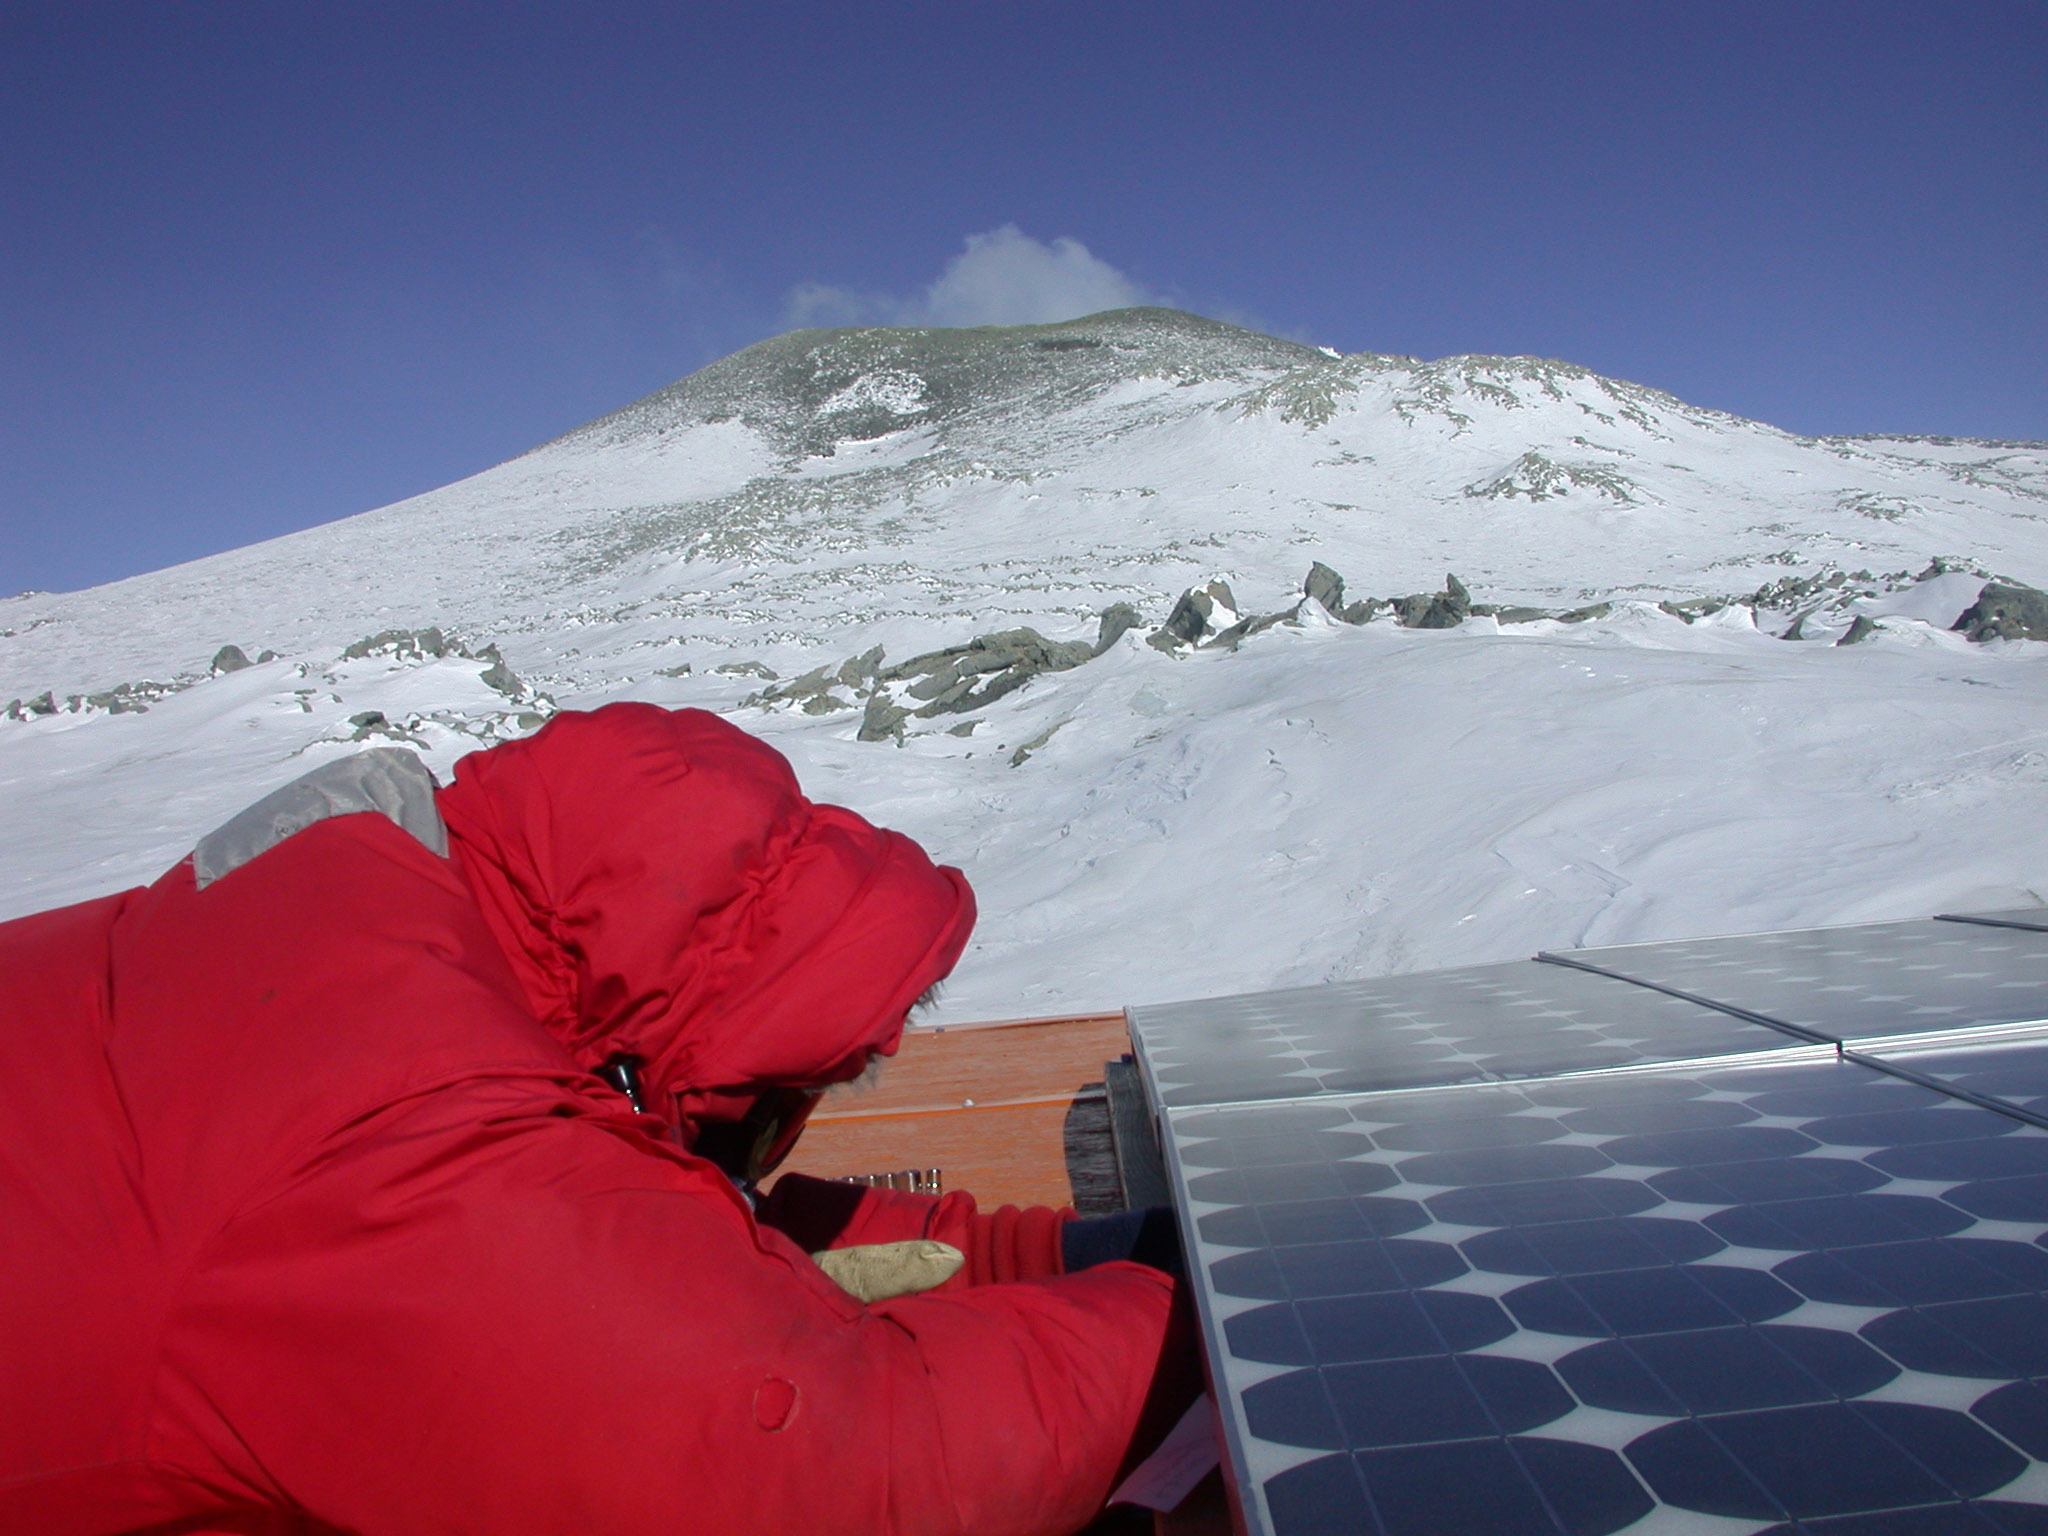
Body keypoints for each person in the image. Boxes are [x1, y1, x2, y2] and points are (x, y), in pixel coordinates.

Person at [0, 702, 1192, 1536]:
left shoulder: (360, 925)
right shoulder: (397, 1127)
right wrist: (1214, 1311)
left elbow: (669, 1224)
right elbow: (837, 1467)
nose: (775, 1150)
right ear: (654, 1052)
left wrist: (1057, 1255)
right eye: (770, 1111)